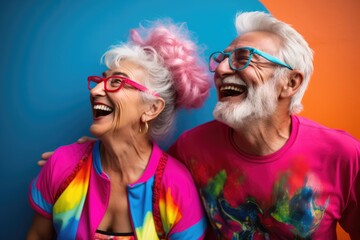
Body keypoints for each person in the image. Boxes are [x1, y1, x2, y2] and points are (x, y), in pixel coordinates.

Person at [38, 11, 360, 239]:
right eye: (222, 58)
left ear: (290, 83)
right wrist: (84, 156)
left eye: (243, 58)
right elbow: (141, 167)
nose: (220, 69)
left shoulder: (343, 155)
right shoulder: (192, 149)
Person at [27, 20, 210, 240]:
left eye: (116, 82)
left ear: (151, 108)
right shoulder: (62, 164)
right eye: (99, 81)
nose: (95, 91)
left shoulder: (177, 188)